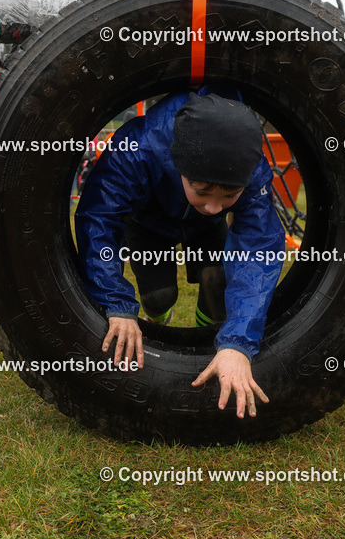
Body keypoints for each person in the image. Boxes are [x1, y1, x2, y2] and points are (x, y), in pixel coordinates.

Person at [75, 89, 284, 418]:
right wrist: (115, 301)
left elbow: (258, 249)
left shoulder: (251, 166)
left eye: (229, 194)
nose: (214, 205)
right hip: (149, 223)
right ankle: (156, 321)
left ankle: (210, 343)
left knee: (217, 283)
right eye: (202, 191)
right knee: (159, 297)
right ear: (177, 164)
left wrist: (237, 343)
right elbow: (99, 218)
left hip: (207, 230)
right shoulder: (139, 148)